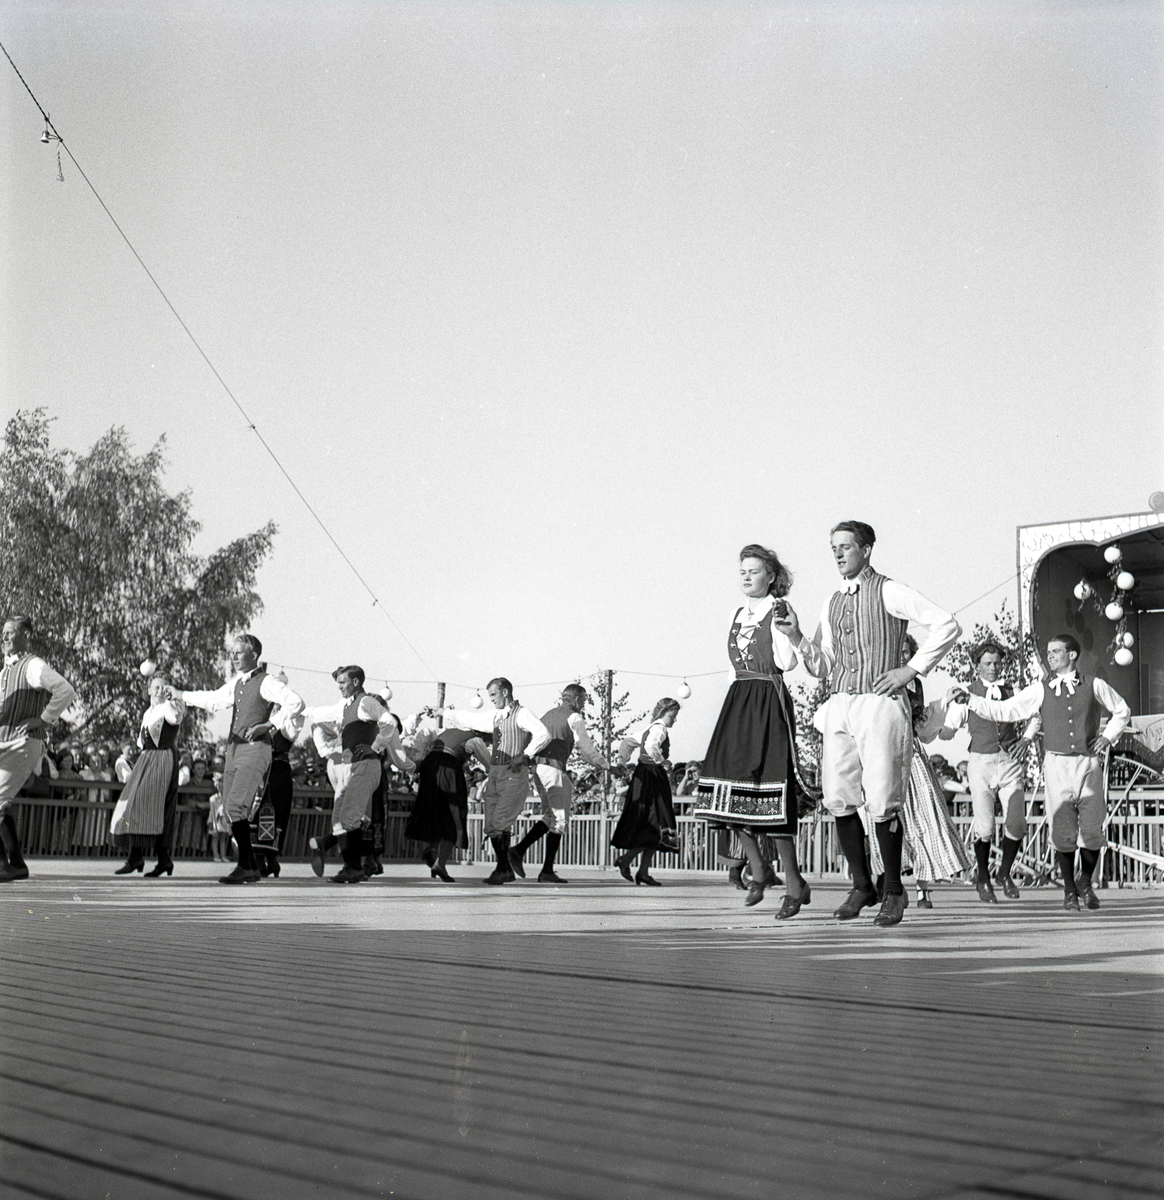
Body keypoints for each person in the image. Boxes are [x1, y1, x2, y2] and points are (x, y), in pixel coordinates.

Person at [812, 521, 961, 926]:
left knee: (881, 800)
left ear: (866, 550)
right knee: (838, 796)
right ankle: (863, 885)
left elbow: (946, 623)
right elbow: (823, 664)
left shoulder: (889, 590)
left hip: (880, 703)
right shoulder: (831, 602)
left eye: (846, 547)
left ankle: (893, 890)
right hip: (841, 702)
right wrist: (795, 638)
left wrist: (910, 670)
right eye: (833, 547)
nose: (838, 554)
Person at [953, 633, 1130, 911]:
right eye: (1049, 652)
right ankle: (1069, 891)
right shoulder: (1039, 689)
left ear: (1072, 654)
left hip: (1088, 763)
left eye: (1056, 651)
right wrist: (971, 700)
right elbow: (1004, 710)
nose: (1050, 656)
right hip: (1056, 764)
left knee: (1092, 828)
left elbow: (1122, 710)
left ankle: (1085, 882)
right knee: (1062, 830)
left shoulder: (1094, 684)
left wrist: (1108, 736)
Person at [694, 544, 826, 917]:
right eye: (743, 571)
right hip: (738, 700)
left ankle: (795, 882)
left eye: (754, 571)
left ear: (771, 576)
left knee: (771, 788)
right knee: (724, 785)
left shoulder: (778, 609)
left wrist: (788, 632)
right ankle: (759, 866)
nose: (747, 577)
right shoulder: (737, 613)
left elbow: (785, 662)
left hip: (768, 699)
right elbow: (732, 667)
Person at [175, 633, 304, 884]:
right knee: (230, 807)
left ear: (254, 655)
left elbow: (296, 703)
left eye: (239, 652)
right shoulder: (237, 683)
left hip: (255, 749)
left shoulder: (266, 681)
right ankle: (250, 865)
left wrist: (269, 724)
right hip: (234, 749)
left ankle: (246, 865)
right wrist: (181, 694)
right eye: (232, 652)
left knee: (235, 806)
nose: (233, 657)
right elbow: (213, 700)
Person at [865, 636, 973, 908]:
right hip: (882, 753)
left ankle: (923, 890)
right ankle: (887, 882)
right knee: (884, 817)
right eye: (898, 651)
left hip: (911, 756)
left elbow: (922, 730)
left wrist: (944, 701)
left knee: (924, 821)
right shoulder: (877, 680)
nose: (902, 657)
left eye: (906, 652)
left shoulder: (915, 685)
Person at [942, 642, 1039, 902]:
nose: (993, 668)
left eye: (997, 663)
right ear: (977, 666)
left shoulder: (1013, 690)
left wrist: (1026, 740)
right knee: (984, 826)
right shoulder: (967, 694)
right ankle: (983, 878)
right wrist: (935, 722)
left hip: (1009, 762)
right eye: (988, 663)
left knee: (1016, 823)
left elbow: (1034, 717)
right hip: (980, 762)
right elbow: (949, 728)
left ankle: (1004, 873)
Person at [305, 665, 416, 883]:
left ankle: (354, 867)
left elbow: (389, 721)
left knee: (350, 816)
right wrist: (297, 710)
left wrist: (374, 747)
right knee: (339, 819)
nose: (339, 687)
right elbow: (321, 713)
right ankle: (351, 866)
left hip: (365, 766)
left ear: (355, 682)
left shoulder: (365, 702)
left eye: (342, 683)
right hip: (350, 766)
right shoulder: (347, 706)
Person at [438, 678, 550, 885]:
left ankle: (502, 869)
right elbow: (471, 719)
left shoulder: (522, 713)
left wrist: (525, 755)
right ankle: (505, 869)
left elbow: (543, 734)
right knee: (491, 824)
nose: (491, 699)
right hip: (496, 773)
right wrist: (444, 713)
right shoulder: (496, 716)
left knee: (499, 821)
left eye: (493, 694)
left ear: (505, 692)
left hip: (513, 773)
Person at [0, 616, 77, 882]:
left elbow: (65, 690)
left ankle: (6, 866)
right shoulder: (5, 672)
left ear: (26, 636)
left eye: (10, 632)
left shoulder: (32, 665)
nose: (4, 637)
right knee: (1, 803)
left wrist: (43, 719)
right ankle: (15, 864)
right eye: (3, 632)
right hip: (5, 743)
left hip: (23, 743)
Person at [508, 683, 610, 884]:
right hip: (554, 769)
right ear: (577, 699)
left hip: (538, 769)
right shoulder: (574, 717)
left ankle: (519, 851)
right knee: (560, 820)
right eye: (583, 700)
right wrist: (607, 766)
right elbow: (586, 749)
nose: (584, 704)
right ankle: (543, 868)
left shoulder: (546, 715)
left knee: (550, 816)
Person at [109, 672, 186, 877]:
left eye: (164, 687)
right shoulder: (148, 712)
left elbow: (176, 717)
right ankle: (143, 857)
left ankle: (156, 858)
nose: (160, 690)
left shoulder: (169, 707)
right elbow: (140, 741)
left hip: (162, 758)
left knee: (153, 806)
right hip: (147, 758)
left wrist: (172, 700)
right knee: (135, 804)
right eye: (157, 687)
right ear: (149, 690)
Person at [404, 715, 493, 882]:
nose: (489, 744)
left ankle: (431, 848)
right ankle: (440, 863)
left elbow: (428, 738)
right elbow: (490, 765)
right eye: (490, 739)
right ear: (484, 733)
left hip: (430, 767)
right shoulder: (475, 740)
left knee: (435, 811)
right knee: (454, 815)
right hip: (449, 770)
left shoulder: (448, 731)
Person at [612, 698, 681, 886]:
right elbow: (651, 746)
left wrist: (622, 762)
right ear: (663, 713)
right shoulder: (659, 729)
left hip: (644, 775)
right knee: (656, 822)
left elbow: (627, 742)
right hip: (652, 776)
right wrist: (662, 762)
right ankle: (627, 860)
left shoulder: (649, 728)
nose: (674, 720)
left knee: (653, 823)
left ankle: (643, 871)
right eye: (672, 716)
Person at [250, 678, 299, 878]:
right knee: (257, 811)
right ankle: (260, 858)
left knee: (276, 812)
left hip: (278, 768)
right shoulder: (262, 715)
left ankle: (271, 859)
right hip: (261, 768)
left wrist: (278, 717)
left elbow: (290, 733)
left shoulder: (292, 718)